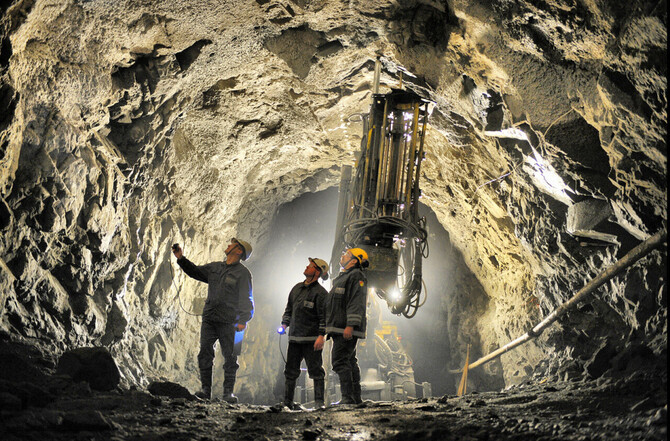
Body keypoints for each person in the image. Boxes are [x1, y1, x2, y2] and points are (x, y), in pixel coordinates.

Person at [172, 238, 254, 403]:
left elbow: (247, 298)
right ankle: (205, 390)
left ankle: (228, 393)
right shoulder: (215, 267)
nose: (228, 245)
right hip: (210, 318)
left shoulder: (243, 273)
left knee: (231, 357)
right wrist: (181, 258)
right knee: (205, 353)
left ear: (239, 251)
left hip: (230, 321)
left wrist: (243, 320)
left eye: (232, 244)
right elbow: (195, 271)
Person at [280, 257, 330, 409]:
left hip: (311, 340)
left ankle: (319, 403)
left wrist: (321, 336)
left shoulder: (321, 293)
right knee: (290, 371)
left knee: (316, 371)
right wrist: (284, 324)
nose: (307, 267)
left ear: (317, 272)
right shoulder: (296, 289)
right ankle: (287, 403)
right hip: (295, 339)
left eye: (311, 266)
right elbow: (289, 309)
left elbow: (324, 317)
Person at [325, 247, 369, 405]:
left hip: (345, 327)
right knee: (349, 361)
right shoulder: (343, 278)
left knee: (339, 361)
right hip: (340, 327)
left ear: (354, 261)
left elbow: (356, 301)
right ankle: (355, 398)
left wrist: (351, 325)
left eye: (347, 254)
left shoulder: (356, 276)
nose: (342, 255)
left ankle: (348, 398)